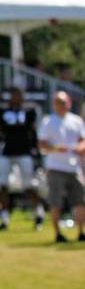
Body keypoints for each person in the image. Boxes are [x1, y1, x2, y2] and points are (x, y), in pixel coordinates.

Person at [0, 87, 44, 230]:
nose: (16, 97)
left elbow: (32, 132)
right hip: (6, 151)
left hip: (24, 152)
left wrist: (36, 153)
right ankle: (4, 219)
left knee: (28, 185)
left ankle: (38, 213)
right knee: (3, 185)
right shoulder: (2, 111)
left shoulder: (29, 111)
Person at [37, 90, 85, 243]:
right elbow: (42, 145)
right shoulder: (48, 121)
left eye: (64, 102)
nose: (61, 105)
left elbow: (83, 140)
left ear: (69, 103)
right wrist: (57, 148)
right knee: (56, 201)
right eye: (58, 102)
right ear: (54, 104)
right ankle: (58, 234)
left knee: (80, 200)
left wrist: (80, 148)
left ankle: (80, 232)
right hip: (56, 166)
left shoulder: (76, 121)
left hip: (74, 167)